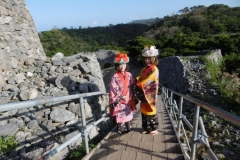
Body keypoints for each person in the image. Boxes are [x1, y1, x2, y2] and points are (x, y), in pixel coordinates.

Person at [109, 52, 136, 135]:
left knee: (128, 115)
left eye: (123, 64)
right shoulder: (115, 76)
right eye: (119, 65)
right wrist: (121, 97)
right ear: (117, 66)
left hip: (128, 99)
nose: (122, 66)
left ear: (126, 65)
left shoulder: (129, 75)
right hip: (120, 101)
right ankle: (122, 131)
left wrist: (132, 96)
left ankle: (128, 130)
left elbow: (132, 86)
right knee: (121, 116)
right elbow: (113, 89)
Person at [135, 45, 159, 135]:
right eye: (145, 59)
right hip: (143, 91)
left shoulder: (154, 69)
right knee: (143, 109)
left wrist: (140, 83)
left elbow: (150, 79)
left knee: (150, 109)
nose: (147, 60)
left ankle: (154, 128)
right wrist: (137, 79)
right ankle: (145, 127)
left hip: (150, 92)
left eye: (149, 58)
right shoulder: (144, 69)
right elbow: (142, 77)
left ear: (154, 58)